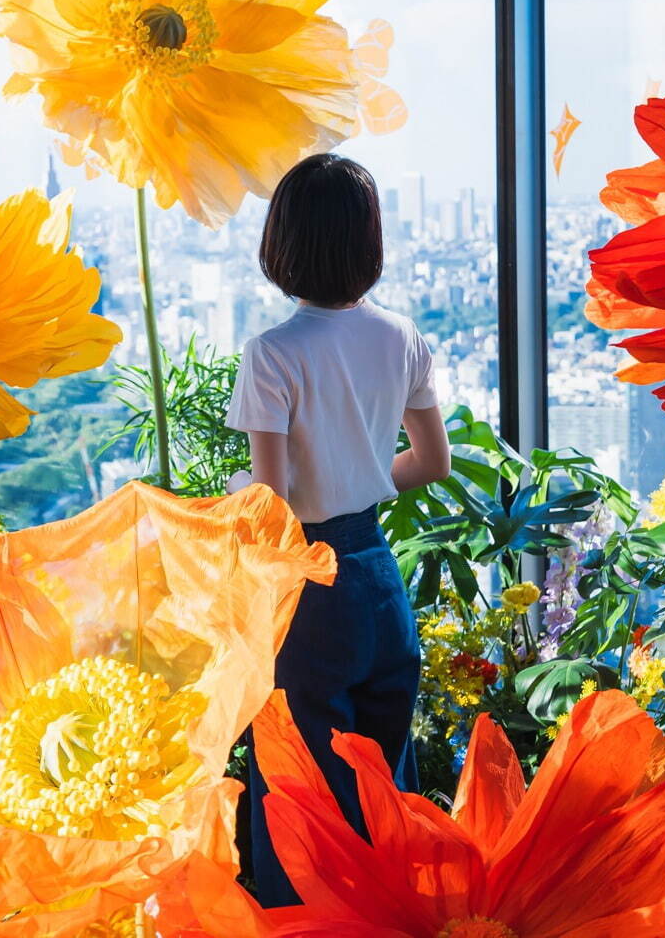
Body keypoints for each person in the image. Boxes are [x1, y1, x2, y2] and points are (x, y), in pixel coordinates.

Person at [224, 152, 451, 908]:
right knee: (385, 790)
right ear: (368, 243)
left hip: (310, 593)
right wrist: (360, 478)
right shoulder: (402, 339)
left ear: (280, 244)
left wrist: (236, 496)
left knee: (301, 801)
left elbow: (273, 499)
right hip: (379, 583)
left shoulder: (273, 354)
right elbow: (433, 460)